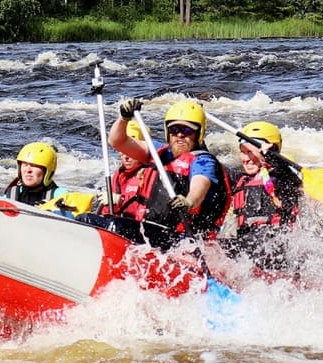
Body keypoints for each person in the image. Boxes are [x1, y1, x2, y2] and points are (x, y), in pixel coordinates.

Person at [108, 97, 232, 240]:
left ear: (198, 134)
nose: (179, 135)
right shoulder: (158, 151)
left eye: (187, 130)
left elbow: (200, 185)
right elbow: (117, 141)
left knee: (114, 226)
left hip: (181, 239)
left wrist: (188, 202)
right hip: (151, 231)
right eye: (174, 129)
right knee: (88, 219)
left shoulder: (203, 161)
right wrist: (124, 119)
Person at [227, 119, 305, 269]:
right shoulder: (240, 180)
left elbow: (288, 174)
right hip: (249, 248)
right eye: (243, 152)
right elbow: (213, 168)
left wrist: (272, 156)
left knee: (248, 244)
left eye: (250, 152)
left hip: (278, 249)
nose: (245, 158)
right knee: (210, 248)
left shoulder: (281, 179)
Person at [5, 142, 61, 206]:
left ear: (47, 171)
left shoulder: (60, 196)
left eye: (34, 166)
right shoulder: (11, 194)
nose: (28, 170)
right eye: (25, 165)